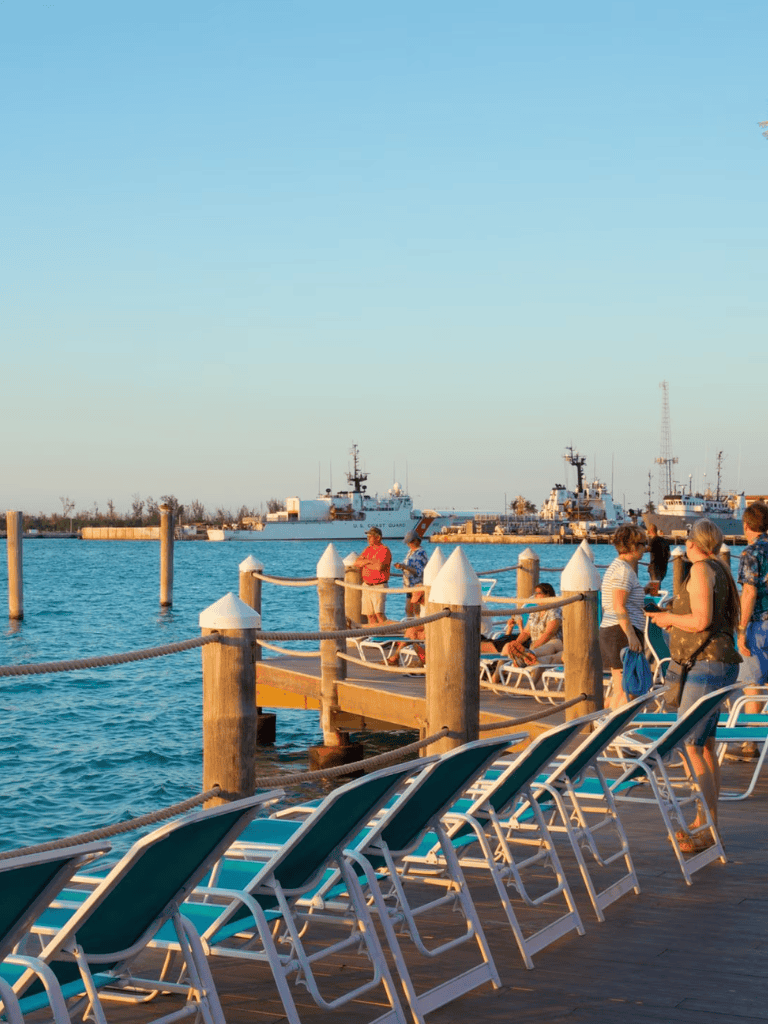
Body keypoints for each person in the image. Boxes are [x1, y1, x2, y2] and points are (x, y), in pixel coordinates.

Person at [646, 518, 741, 851]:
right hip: (717, 663)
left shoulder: (701, 569)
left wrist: (668, 618)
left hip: (706, 665)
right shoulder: (720, 569)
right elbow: (709, 619)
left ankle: (707, 828)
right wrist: (674, 621)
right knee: (705, 746)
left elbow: (701, 621)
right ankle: (706, 823)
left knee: (691, 746)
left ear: (692, 542)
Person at [599, 524, 647, 711]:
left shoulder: (619, 568)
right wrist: (631, 636)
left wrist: (642, 591)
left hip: (615, 631)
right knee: (628, 690)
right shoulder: (624, 571)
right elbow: (619, 605)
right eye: (643, 544)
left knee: (621, 688)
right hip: (620, 633)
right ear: (633, 547)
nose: (645, 548)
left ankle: (605, 720)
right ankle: (614, 724)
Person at [736, 501, 768, 756]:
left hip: (759, 623)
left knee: (753, 683)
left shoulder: (751, 553)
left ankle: (750, 744)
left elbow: (749, 592)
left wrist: (741, 628)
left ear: (746, 525)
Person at [355, 527, 392, 625]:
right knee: (370, 615)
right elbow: (357, 563)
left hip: (378, 585)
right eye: (367, 537)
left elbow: (379, 567)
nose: (368, 539)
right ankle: (374, 632)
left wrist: (365, 564)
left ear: (378, 537)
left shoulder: (384, 550)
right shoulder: (368, 549)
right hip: (367, 585)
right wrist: (369, 561)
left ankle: (385, 631)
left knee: (379, 614)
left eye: (370, 537)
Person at [394, 531, 428, 617]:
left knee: (416, 610)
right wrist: (401, 566)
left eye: (411, 541)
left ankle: (418, 625)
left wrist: (404, 567)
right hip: (409, 586)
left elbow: (419, 571)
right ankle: (411, 624)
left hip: (417, 585)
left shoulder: (421, 553)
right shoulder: (410, 552)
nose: (409, 544)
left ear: (417, 540)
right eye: (408, 542)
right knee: (408, 610)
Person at [645, 523, 670, 597]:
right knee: (657, 587)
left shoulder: (653, 540)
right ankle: (658, 602)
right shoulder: (664, 541)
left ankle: (655, 603)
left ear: (649, 531)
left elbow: (648, 549)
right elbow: (669, 555)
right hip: (663, 567)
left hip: (655, 567)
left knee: (655, 589)